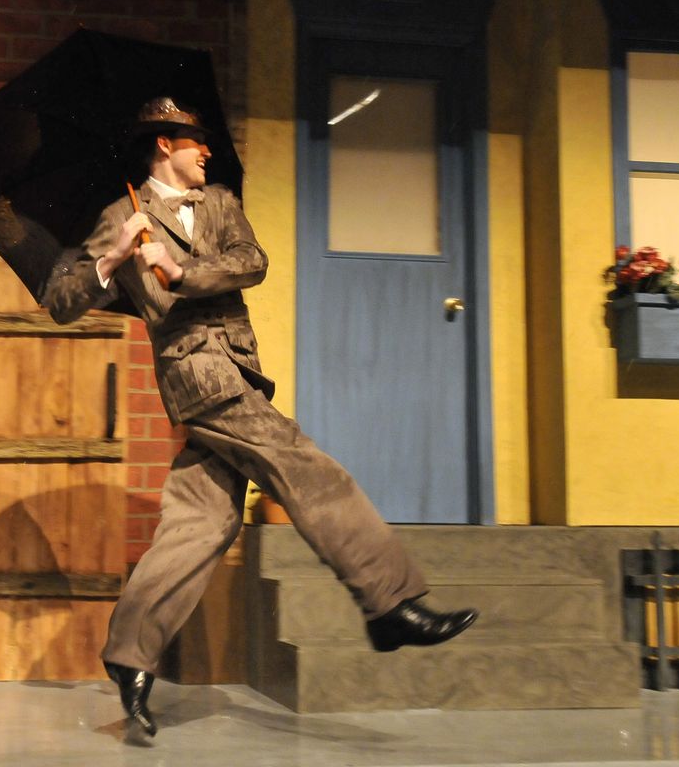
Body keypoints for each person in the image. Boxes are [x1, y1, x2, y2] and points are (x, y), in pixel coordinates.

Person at [43, 97, 476, 741]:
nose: (206, 151)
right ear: (165, 145)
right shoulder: (120, 216)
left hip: (240, 368)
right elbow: (60, 300)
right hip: (197, 376)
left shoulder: (218, 203)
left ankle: (130, 654)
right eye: (196, 143)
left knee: (202, 523)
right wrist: (113, 260)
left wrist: (178, 267)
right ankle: (389, 602)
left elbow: (253, 262)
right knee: (308, 470)